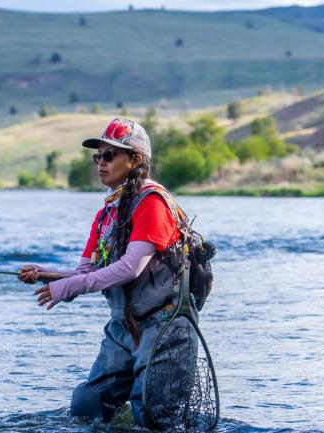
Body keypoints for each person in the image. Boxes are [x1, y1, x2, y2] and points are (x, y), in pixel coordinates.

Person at [18, 118, 197, 428]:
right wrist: (47, 275)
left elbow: (130, 268)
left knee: (152, 418)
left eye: (109, 155)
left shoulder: (153, 204)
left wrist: (67, 289)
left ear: (136, 160)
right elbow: (87, 270)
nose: (100, 163)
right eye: (97, 157)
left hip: (165, 327)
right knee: (87, 405)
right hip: (124, 328)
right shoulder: (107, 213)